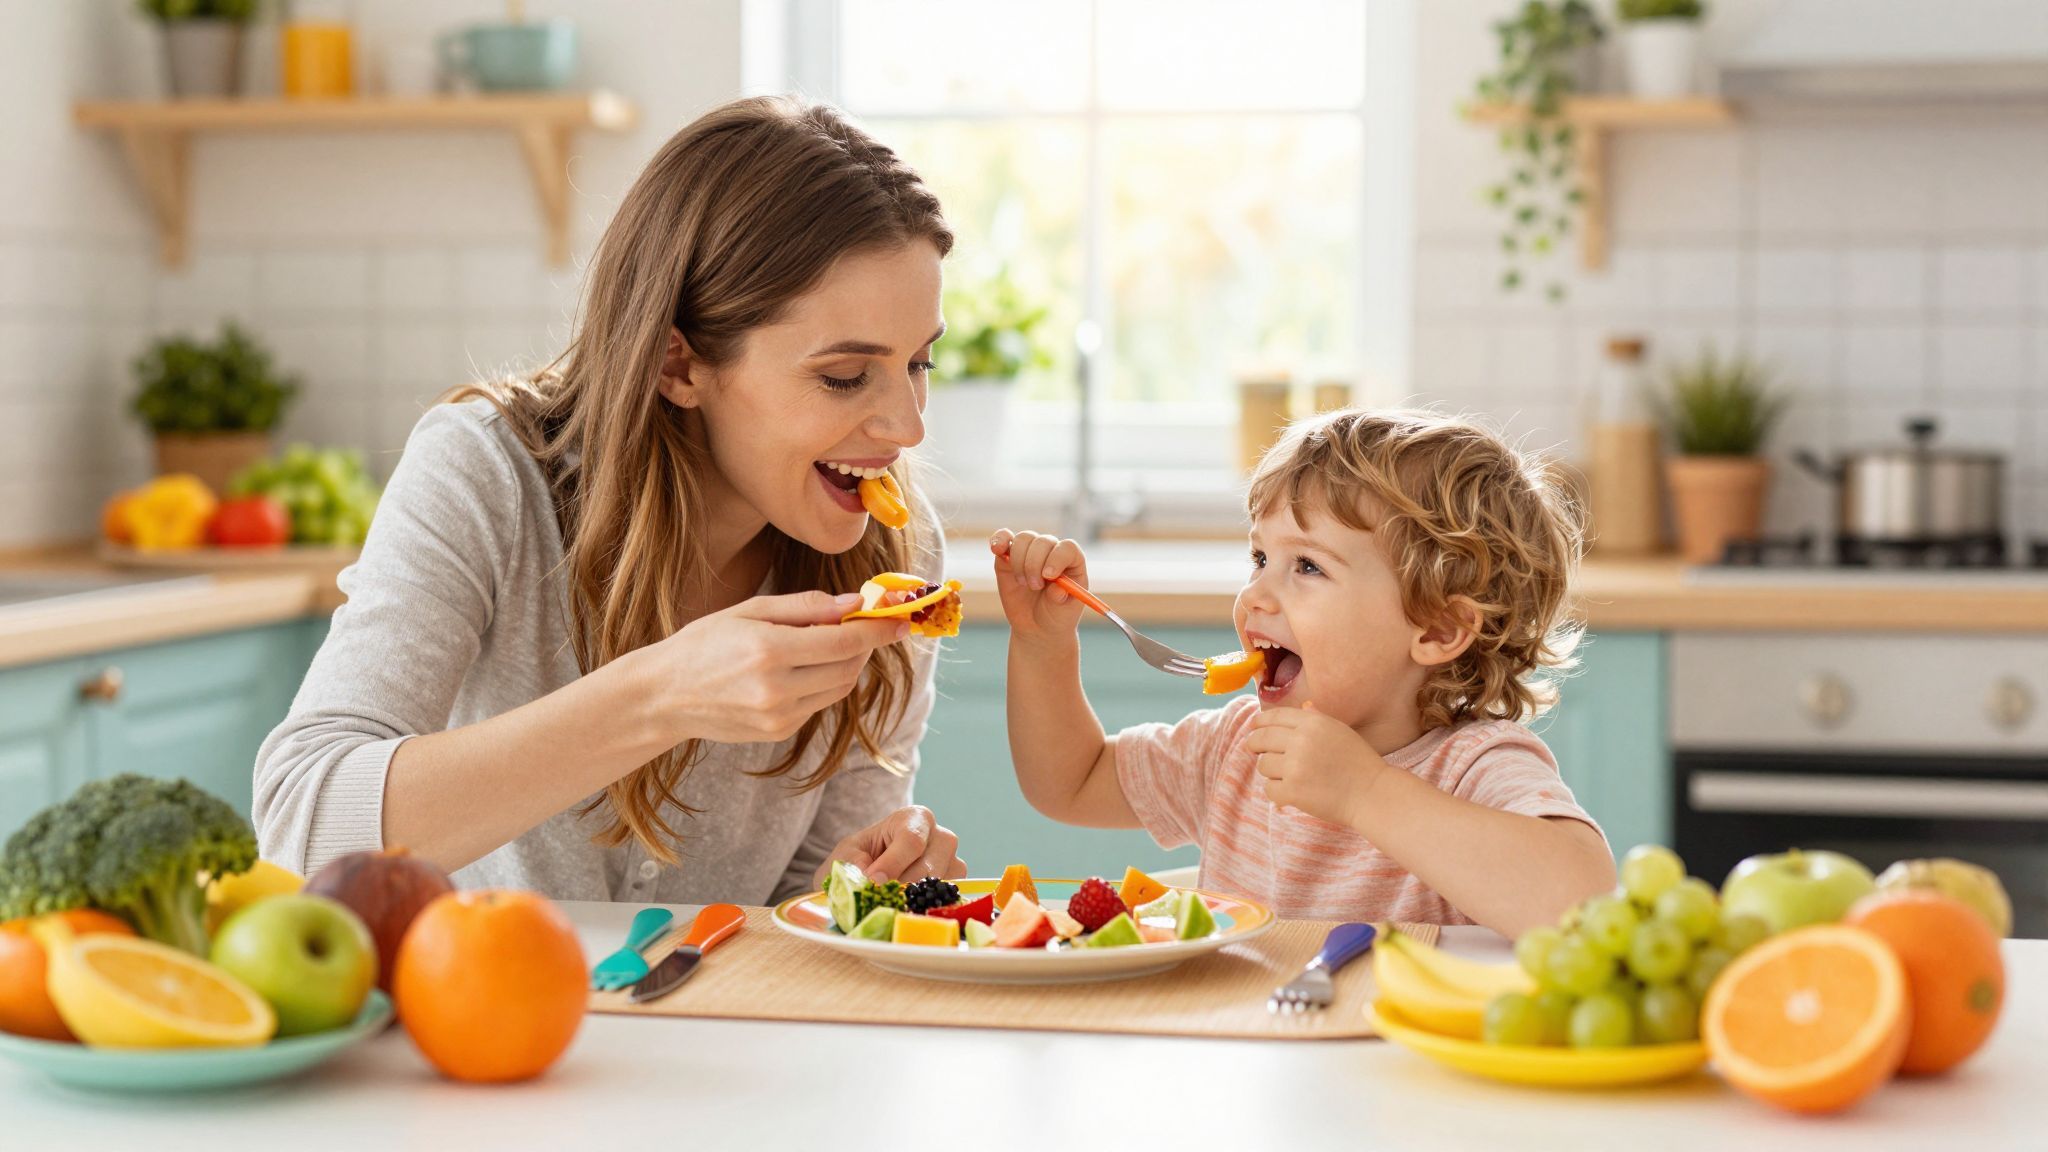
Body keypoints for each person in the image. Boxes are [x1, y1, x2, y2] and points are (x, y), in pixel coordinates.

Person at [254, 96, 967, 903]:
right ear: (679, 365)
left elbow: (791, 912)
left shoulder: (896, 555)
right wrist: (658, 695)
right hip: (472, 1014)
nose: (906, 428)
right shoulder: (484, 474)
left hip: (722, 1026)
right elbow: (300, 829)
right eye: (843, 376)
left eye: (919, 364)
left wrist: (861, 885)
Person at [992, 409, 1615, 935]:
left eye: (1308, 567)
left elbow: (1580, 902)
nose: (1256, 596)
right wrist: (1043, 644)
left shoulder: (1474, 766)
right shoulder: (1233, 749)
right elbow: (1069, 782)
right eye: (1260, 557)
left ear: (1436, 629)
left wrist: (1363, 791)